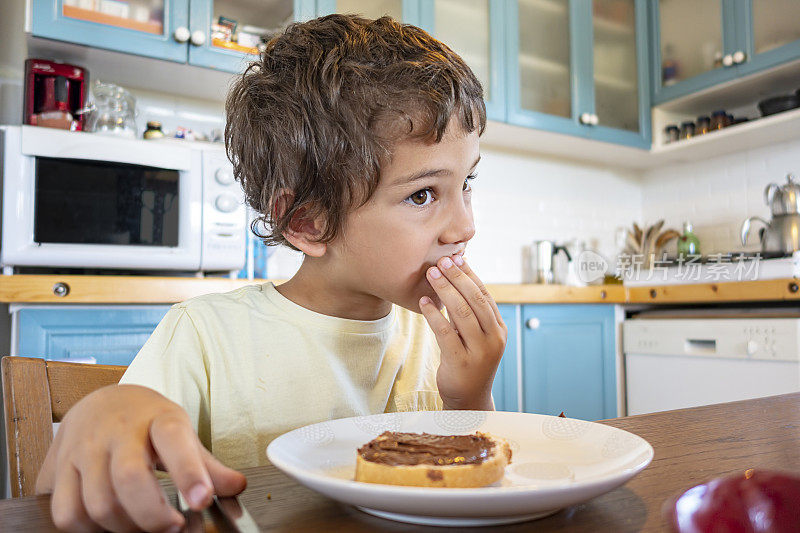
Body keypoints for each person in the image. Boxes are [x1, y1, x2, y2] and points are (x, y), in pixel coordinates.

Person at [35, 13, 507, 533]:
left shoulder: (439, 338)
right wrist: (104, 413)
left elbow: (474, 491)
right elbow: (73, 493)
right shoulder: (206, 337)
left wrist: (470, 398)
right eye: (423, 194)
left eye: (467, 183)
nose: (465, 225)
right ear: (308, 222)